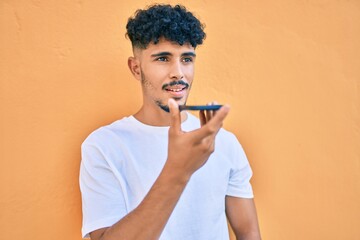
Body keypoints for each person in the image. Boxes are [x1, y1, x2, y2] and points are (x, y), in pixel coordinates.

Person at [80, 4, 261, 240]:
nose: (179, 73)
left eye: (186, 59)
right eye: (163, 58)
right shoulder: (103, 146)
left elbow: (249, 233)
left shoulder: (223, 142)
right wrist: (178, 169)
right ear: (136, 68)